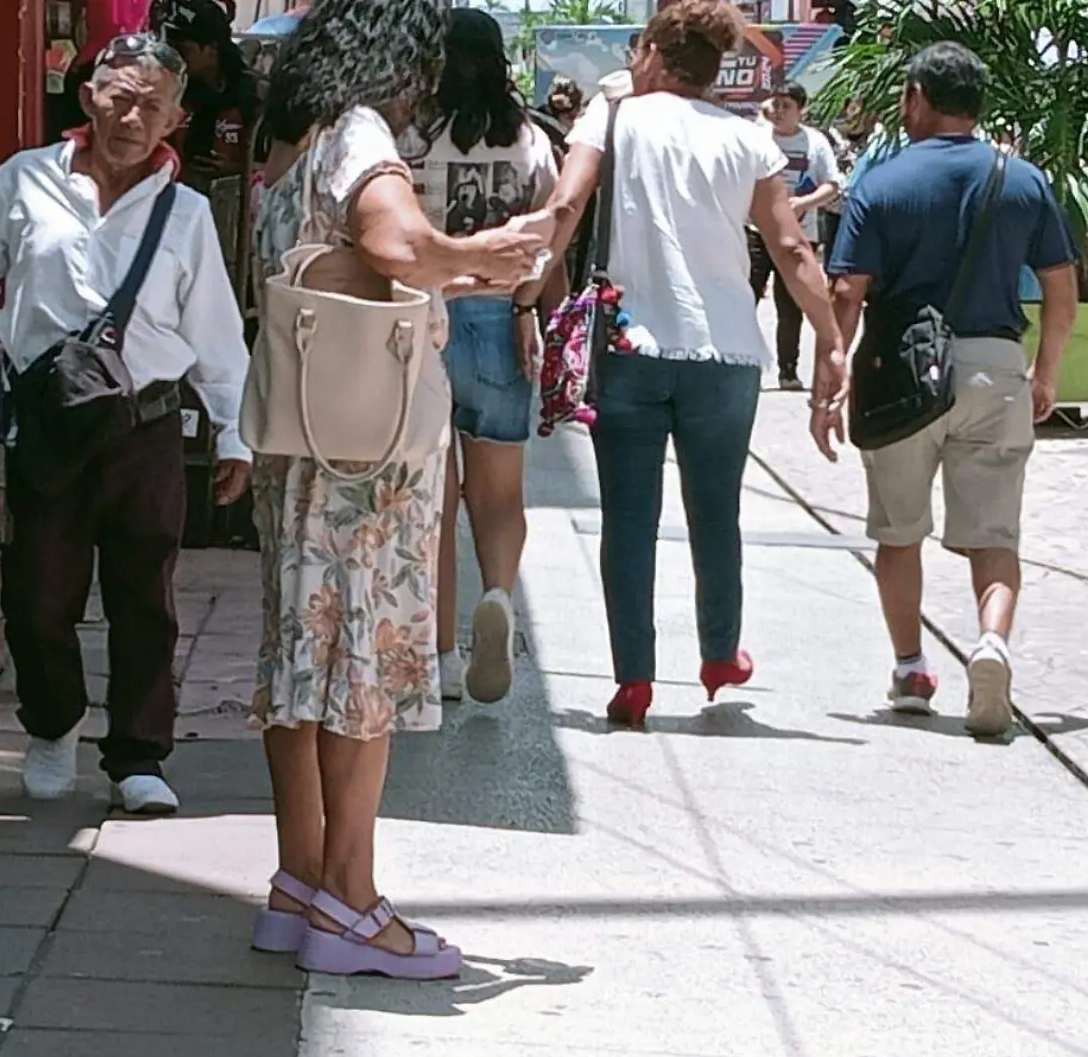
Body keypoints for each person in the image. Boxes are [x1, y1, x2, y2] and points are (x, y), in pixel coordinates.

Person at [246, 0, 545, 979]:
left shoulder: (291, 150)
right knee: (359, 675)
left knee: (300, 668)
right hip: (366, 465)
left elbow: (353, 273)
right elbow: (393, 246)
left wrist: (437, 272)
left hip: (302, 447)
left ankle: (298, 885)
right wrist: (478, 259)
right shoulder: (364, 138)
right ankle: (353, 902)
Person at [0, 36, 252, 815]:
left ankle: (138, 757)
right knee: (37, 595)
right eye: (118, 97)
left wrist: (234, 433)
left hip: (148, 425)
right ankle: (53, 723)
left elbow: (216, 333)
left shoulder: (186, 213)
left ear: (176, 117)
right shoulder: (26, 180)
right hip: (51, 424)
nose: (131, 117)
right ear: (89, 95)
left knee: (145, 598)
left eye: (151, 104)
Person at [526, 0, 844, 726]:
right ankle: (719, 652)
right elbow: (792, 249)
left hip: (631, 346)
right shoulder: (749, 138)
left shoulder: (612, 119)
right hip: (727, 350)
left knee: (629, 518)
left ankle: (633, 679)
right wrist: (829, 338)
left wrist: (526, 291)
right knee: (716, 509)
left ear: (656, 58)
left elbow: (567, 203)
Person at [823, 41, 1075, 736]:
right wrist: (1046, 371)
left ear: (917, 97)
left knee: (899, 533)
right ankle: (990, 643)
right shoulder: (1022, 180)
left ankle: (910, 667)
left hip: (903, 374)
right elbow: (1061, 289)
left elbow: (847, 291)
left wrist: (832, 369)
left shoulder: (882, 182)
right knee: (994, 535)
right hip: (996, 367)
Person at [405, 7, 562, 704]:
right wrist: (534, 311)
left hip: (425, 318)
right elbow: (551, 240)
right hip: (503, 318)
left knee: (433, 497)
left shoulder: (407, 135)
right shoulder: (530, 139)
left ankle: (438, 657)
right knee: (499, 494)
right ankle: (497, 592)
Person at [748, 82, 841, 391]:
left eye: (787, 105)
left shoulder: (816, 143)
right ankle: (743, 363)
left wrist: (803, 203)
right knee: (747, 295)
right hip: (755, 231)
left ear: (801, 110)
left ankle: (788, 370)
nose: (779, 111)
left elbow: (832, 185)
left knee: (791, 304)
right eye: (775, 104)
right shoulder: (757, 138)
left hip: (800, 231)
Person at [162, 0, 259, 188]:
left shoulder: (254, 94)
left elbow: (277, 165)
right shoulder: (172, 92)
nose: (176, 57)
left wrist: (237, 168)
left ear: (212, 50)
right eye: (171, 48)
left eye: (184, 50)